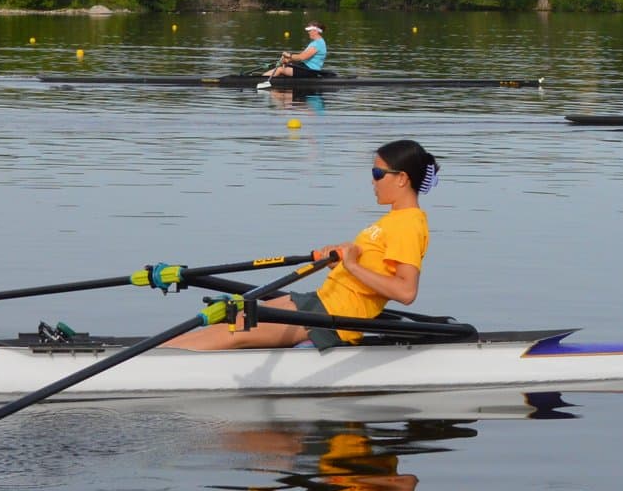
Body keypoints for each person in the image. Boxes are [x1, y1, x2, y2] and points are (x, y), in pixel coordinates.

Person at [169, 139, 436, 350]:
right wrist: (337, 263)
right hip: (320, 300)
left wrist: (352, 265)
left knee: (235, 331)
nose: (372, 181)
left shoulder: (409, 224)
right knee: (233, 316)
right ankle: (158, 356)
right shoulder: (394, 219)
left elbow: (406, 291)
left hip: (333, 319)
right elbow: (368, 271)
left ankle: (150, 364)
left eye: (378, 173)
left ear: (401, 178)